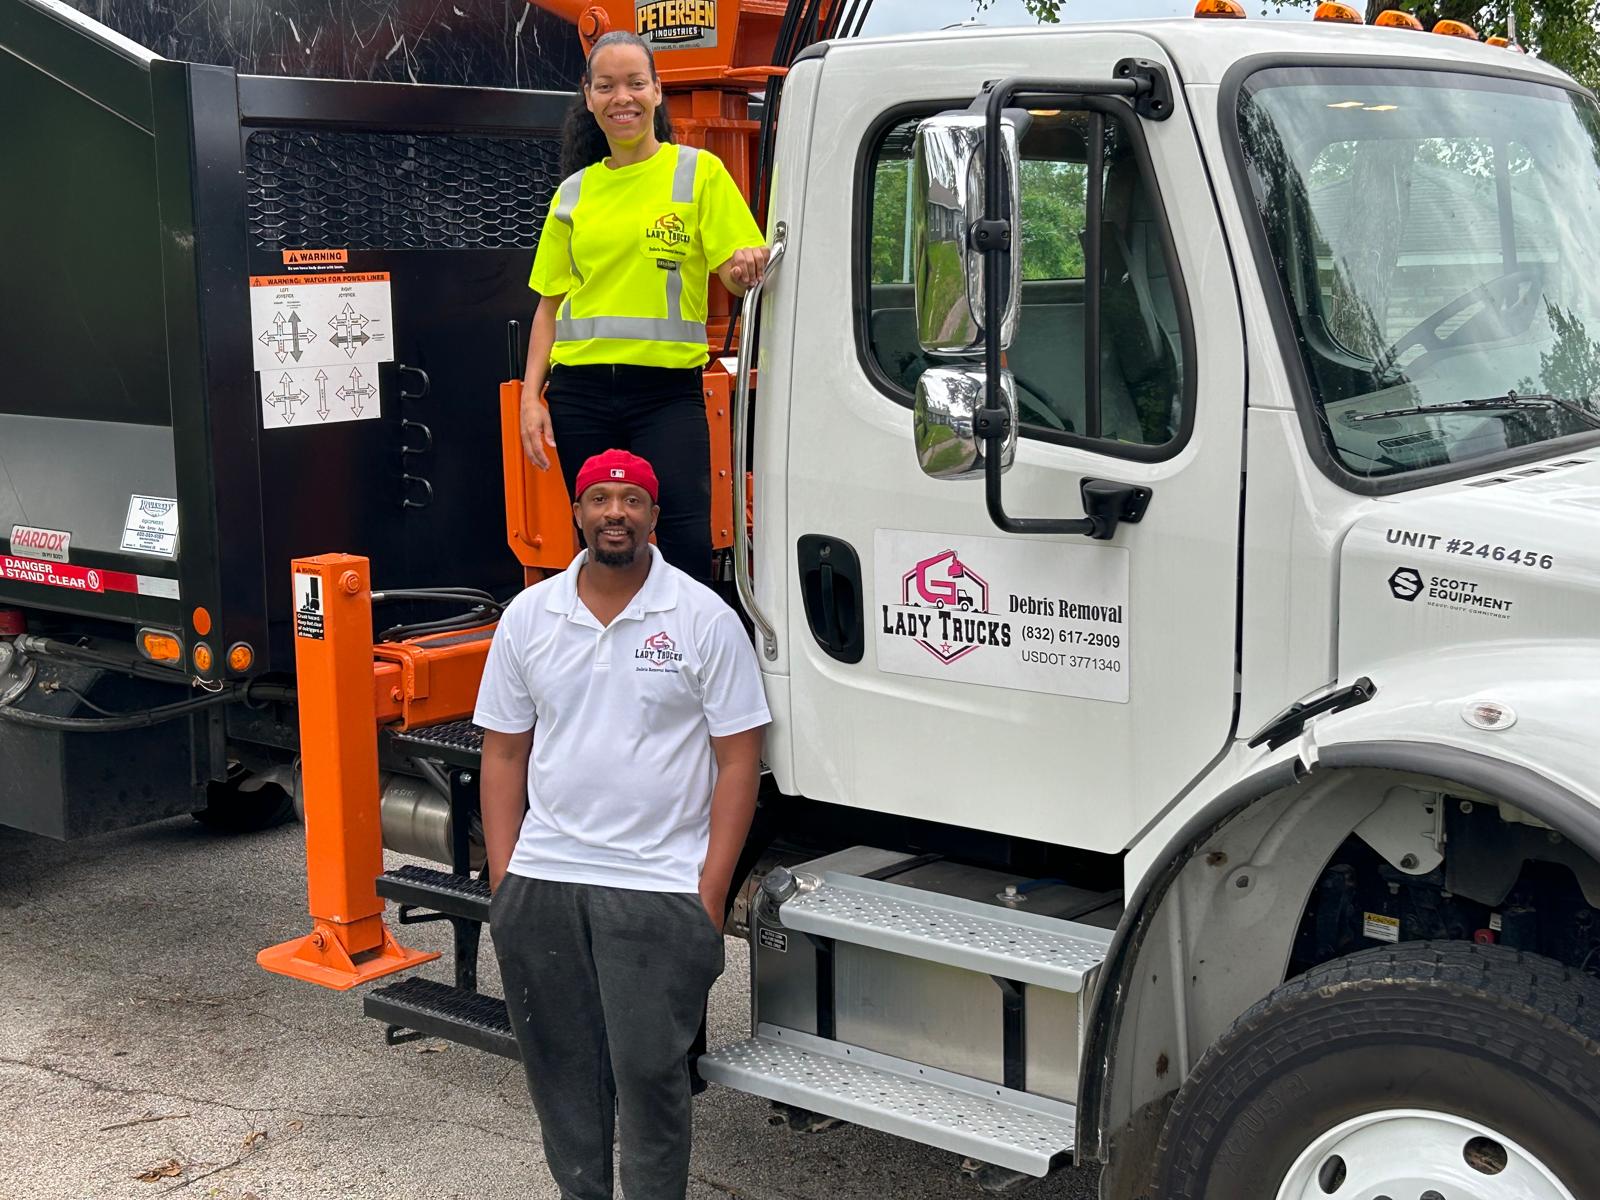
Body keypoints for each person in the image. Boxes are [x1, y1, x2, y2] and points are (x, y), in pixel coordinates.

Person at [475, 448, 770, 1200]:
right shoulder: (530, 617)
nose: (616, 512)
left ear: (653, 516)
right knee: (562, 1081)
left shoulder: (703, 618)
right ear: (576, 513)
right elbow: (504, 754)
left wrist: (707, 896)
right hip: (545, 883)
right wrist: (508, 883)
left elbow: (739, 762)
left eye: (632, 499)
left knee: (651, 1082)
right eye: (601, 498)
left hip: (658, 888)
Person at [518, 30, 770, 584]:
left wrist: (746, 263)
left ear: (658, 92)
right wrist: (531, 398)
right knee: (603, 539)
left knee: (684, 535)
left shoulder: (697, 172)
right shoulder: (574, 193)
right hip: (579, 393)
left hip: (666, 394)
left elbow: (733, 267)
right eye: (606, 86)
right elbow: (548, 305)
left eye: (635, 83)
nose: (622, 97)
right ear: (588, 97)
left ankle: (683, 659)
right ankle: (614, 657)